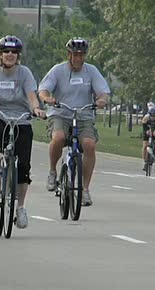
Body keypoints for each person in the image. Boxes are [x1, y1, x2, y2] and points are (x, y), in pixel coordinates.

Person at [0, 35, 45, 229]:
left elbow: (32, 97)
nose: (10, 55)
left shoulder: (24, 73)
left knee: (23, 166)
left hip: (21, 118)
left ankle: (21, 208)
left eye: (14, 52)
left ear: (18, 55)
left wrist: (36, 109)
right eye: (6, 51)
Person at [38, 38, 109, 206]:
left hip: (84, 115)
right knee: (59, 137)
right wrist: (47, 98)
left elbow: (103, 91)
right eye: (75, 55)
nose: (78, 58)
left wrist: (101, 100)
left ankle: (84, 189)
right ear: (69, 55)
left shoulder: (91, 71)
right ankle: (52, 172)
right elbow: (43, 89)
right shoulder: (57, 70)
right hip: (61, 113)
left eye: (81, 55)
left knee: (89, 144)